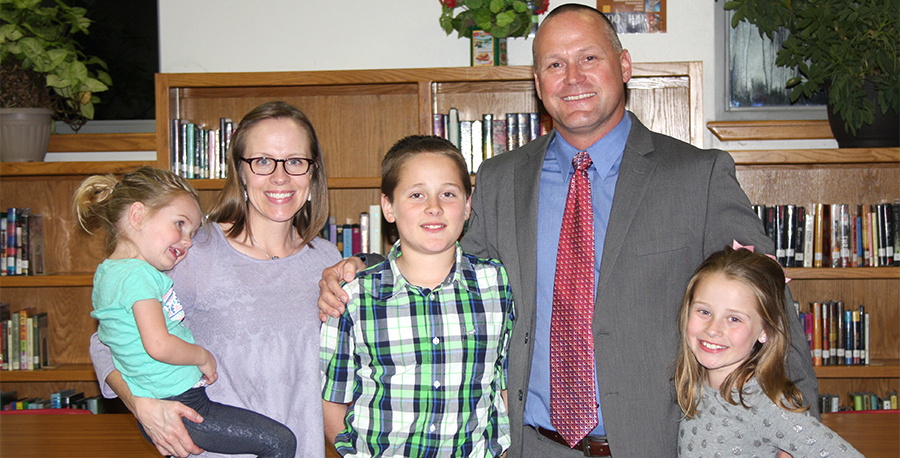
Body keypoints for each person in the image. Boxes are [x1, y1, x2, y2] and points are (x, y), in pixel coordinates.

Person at [318, 5, 819, 457]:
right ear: (538, 82)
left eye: (589, 58)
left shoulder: (698, 175)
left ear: (624, 66)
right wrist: (358, 272)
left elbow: (769, 304)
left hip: (657, 445)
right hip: (529, 445)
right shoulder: (500, 178)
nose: (572, 77)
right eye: (555, 64)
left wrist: (791, 433)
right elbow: (441, 268)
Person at [90, 101, 341, 458]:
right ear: (240, 172)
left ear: (313, 173)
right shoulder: (192, 251)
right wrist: (142, 407)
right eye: (263, 161)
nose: (280, 177)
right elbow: (105, 342)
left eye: (296, 162)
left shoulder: (328, 261)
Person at [75, 167, 297, 458]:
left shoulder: (107, 273)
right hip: (182, 404)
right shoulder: (138, 276)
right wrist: (201, 355)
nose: (188, 241)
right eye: (179, 224)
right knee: (280, 443)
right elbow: (158, 345)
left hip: (163, 402)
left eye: (192, 232)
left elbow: (112, 336)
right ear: (137, 215)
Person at [320, 135, 515, 457]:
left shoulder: (498, 284)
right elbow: (332, 402)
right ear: (388, 207)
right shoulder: (353, 297)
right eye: (417, 195)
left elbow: (505, 386)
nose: (434, 207)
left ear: (468, 206)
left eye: (448, 194)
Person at [675, 245, 862, 457]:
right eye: (704, 311)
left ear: (765, 330)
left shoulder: (762, 403)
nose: (713, 329)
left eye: (734, 318)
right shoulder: (693, 384)